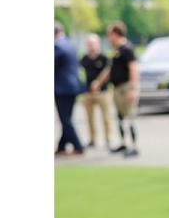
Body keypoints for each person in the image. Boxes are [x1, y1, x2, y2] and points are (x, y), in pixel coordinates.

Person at [91, 22, 140, 157]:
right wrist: (98, 82)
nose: (108, 37)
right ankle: (124, 143)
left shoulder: (127, 49)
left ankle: (134, 146)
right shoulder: (116, 51)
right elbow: (109, 70)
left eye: (110, 34)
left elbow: (133, 69)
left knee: (130, 117)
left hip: (126, 87)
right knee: (120, 117)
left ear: (116, 34)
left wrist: (133, 89)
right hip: (117, 88)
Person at [55, 22, 84, 156]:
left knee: (65, 119)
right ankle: (61, 146)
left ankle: (78, 146)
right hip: (73, 87)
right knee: (66, 118)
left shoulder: (57, 47)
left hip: (62, 88)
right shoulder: (70, 45)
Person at [80, 33, 113, 150]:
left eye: (93, 43)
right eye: (89, 44)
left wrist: (98, 82)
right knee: (90, 117)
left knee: (106, 117)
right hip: (88, 92)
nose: (91, 46)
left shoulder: (104, 58)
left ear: (98, 44)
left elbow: (108, 71)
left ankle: (108, 139)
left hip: (102, 92)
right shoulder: (84, 59)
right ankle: (92, 139)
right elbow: (81, 74)